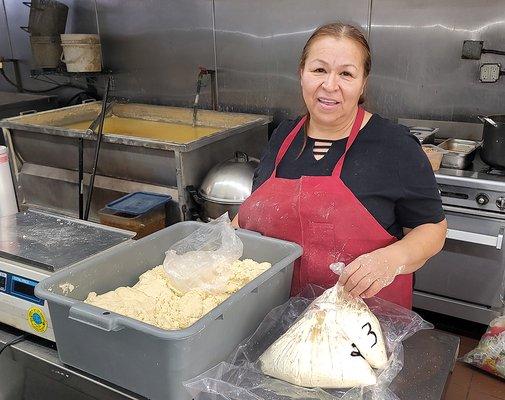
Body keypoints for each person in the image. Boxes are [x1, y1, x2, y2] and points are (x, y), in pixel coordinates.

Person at [232, 22, 447, 309]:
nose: (329, 85)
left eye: (346, 73)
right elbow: (252, 216)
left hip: (362, 321)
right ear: (302, 74)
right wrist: (220, 244)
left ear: (363, 84)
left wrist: (390, 260)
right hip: (277, 313)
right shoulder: (283, 135)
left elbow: (432, 229)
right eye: (319, 70)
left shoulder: (395, 145)